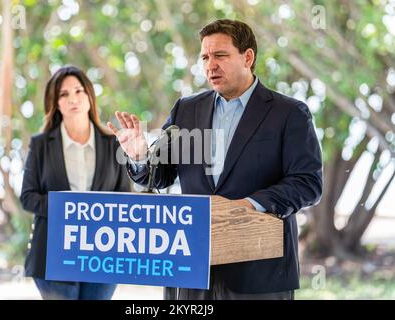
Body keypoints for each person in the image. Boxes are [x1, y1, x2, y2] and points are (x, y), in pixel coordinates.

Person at [107, 19, 323, 300]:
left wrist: (245, 207)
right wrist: (138, 155)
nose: (210, 65)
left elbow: (307, 183)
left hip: (259, 274)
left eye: (220, 55)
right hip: (191, 271)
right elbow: (159, 175)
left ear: (248, 57)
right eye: (205, 57)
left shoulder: (290, 113)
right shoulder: (187, 109)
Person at [20, 65, 130, 300]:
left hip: (103, 254)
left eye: (79, 91)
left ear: (89, 96)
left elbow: (124, 200)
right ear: (56, 103)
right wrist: (72, 209)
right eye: (64, 94)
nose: (73, 99)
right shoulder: (41, 144)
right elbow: (28, 197)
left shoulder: (114, 145)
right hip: (52, 253)